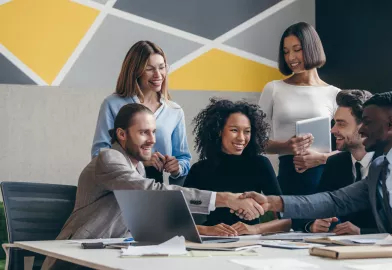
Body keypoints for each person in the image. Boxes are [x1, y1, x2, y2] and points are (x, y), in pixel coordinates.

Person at [43, 104, 264, 269]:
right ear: (122, 134)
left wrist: (207, 231)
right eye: (143, 132)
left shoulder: (136, 168)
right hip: (74, 259)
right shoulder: (108, 159)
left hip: (109, 256)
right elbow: (155, 193)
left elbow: (151, 223)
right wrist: (225, 198)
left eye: (153, 132)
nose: (151, 140)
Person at [242, 92, 392, 246]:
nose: (362, 128)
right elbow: (335, 200)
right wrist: (274, 202)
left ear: (390, 124)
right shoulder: (379, 167)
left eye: (367, 121)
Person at [184, 99, 290, 236]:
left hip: (252, 242)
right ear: (218, 131)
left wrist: (254, 229)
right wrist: (207, 230)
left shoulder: (260, 164)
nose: (241, 138)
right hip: (210, 241)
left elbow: (287, 220)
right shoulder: (199, 169)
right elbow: (176, 220)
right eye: (234, 130)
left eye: (247, 131)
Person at [258, 22, 340, 196]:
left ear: (312, 48)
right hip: (289, 176)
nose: (291, 57)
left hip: (325, 177)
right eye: (286, 52)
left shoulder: (334, 94)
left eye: (297, 49)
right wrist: (287, 146)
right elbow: (255, 142)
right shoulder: (273, 89)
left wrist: (323, 158)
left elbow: (353, 148)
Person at [91, 40, 190, 184]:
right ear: (135, 71)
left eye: (162, 67)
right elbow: (98, 155)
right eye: (149, 69)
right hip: (120, 183)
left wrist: (177, 167)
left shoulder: (174, 111)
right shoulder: (112, 104)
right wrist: (140, 160)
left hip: (156, 185)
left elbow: (184, 158)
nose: (158, 75)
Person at [295, 90, 377, 234]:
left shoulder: (390, 163)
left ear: (364, 126)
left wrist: (362, 232)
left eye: (341, 124)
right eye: (334, 123)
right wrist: (313, 224)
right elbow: (314, 207)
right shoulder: (336, 163)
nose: (333, 130)